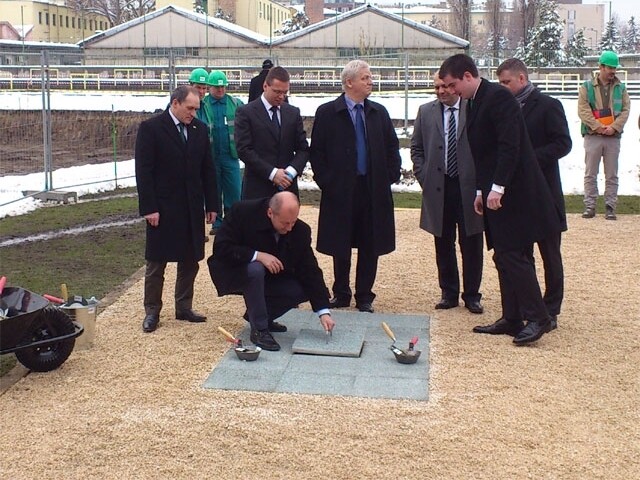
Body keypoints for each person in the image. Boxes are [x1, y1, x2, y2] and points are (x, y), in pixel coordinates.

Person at [438, 54, 563, 345]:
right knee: (503, 254)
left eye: (454, 84)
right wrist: (481, 191)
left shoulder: (499, 98)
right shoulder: (476, 101)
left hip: (517, 193)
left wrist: (498, 187)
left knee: (512, 254)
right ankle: (512, 317)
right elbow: (483, 154)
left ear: (468, 76)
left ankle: (538, 317)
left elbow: (510, 146)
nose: (452, 91)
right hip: (496, 191)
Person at [310, 59, 401, 314]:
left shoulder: (378, 113)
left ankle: (364, 296)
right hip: (340, 189)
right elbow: (317, 152)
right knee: (341, 243)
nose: (370, 81)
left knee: (370, 242)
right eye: (365, 78)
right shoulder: (327, 112)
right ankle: (341, 293)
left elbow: (392, 146)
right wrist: (327, 181)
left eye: (370, 77)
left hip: (372, 189)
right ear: (349, 82)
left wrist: (389, 175)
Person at [135, 85, 219, 333]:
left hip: (191, 205)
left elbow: (208, 169)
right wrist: (149, 207)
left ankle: (183, 307)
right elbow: (144, 171)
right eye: (189, 107)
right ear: (175, 103)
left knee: (190, 260)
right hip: (162, 207)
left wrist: (212, 204)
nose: (193, 112)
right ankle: (152, 311)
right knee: (156, 263)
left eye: (196, 108)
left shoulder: (199, 129)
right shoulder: (151, 129)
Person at [208, 191, 336, 351]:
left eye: (293, 222)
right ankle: (260, 330)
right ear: (270, 213)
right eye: (285, 223)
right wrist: (257, 255)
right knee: (255, 268)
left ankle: (261, 316)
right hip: (236, 270)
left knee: (303, 288)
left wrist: (323, 310)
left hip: (271, 277)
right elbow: (221, 248)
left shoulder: (300, 231)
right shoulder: (242, 212)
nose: (289, 228)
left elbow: (309, 269)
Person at [497, 58, 572, 331]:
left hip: (545, 190)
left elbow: (563, 143)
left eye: (507, 82)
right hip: (518, 194)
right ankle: (523, 308)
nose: (503, 87)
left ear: (522, 79)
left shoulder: (549, 106)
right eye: (500, 83)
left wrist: (530, 159)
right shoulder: (505, 109)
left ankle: (551, 309)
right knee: (521, 253)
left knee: (550, 254)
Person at [411, 72, 484, 314]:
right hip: (438, 188)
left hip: (468, 187)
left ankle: (472, 295)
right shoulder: (426, 111)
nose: (441, 91)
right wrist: (424, 176)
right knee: (443, 242)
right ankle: (449, 292)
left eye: (445, 86)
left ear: (455, 85)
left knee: (471, 242)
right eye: (437, 87)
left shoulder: (472, 108)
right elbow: (417, 148)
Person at [234, 66, 309, 199]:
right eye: (277, 92)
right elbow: (244, 149)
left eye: (285, 92)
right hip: (257, 188)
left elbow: (303, 149)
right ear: (265, 86)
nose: (281, 97)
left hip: (287, 187)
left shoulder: (293, 113)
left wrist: (290, 172)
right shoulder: (246, 112)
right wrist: (272, 173)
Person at [578, 50, 630, 220]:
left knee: (612, 173)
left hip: (613, 137)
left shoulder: (621, 88)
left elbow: (625, 110)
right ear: (601, 67)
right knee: (590, 172)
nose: (613, 71)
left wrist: (614, 127)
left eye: (615, 68)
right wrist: (599, 127)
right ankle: (590, 206)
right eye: (610, 68)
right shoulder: (586, 87)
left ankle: (610, 206)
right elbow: (583, 111)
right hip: (593, 136)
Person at [201, 70, 244, 235]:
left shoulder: (235, 103)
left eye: (222, 87)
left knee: (234, 190)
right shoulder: (203, 105)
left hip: (230, 155)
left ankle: (233, 223)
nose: (220, 90)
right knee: (214, 190)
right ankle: (217, 224)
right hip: (211, 156)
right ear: (209, 87)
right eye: (216, 87)